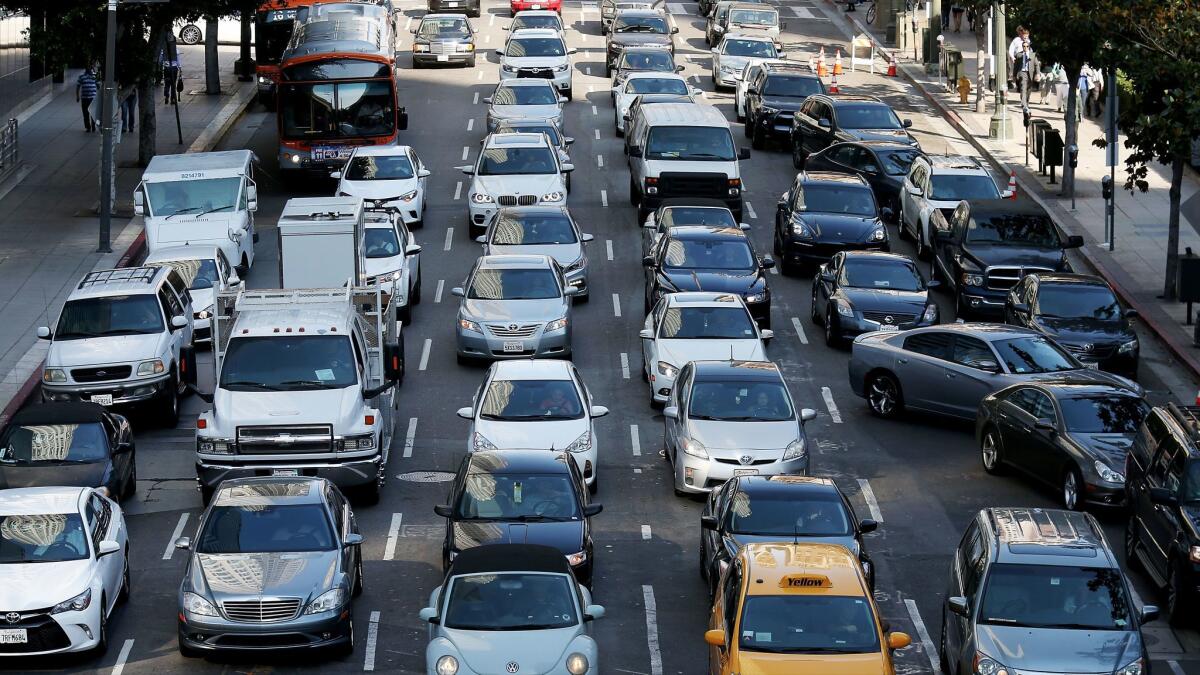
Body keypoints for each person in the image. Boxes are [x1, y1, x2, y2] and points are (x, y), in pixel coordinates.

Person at [1007, 27, 1037, 110]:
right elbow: (1011, 50)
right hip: (1019, 63)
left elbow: (1033, 55)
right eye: (1024, 36)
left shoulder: (1029, 42)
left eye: (1027, 36)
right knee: (1023, 86)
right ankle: (1024, 104)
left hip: (1029, 68)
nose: (1025, 38)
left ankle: (1026, 102)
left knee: (1028, 88)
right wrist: (1012, 57)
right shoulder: (1016, 40)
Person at [76, 64, 98, 132]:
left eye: (90, 67)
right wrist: (77, 96)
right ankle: (88, 127)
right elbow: (78, 87)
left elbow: (99, 86)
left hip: (93, 97)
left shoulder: (95, 76)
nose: (89, 69)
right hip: (84, 98)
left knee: (93, 113)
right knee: (85, 113)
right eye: (87, 68)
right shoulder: (81, 76)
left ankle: (93, 126)